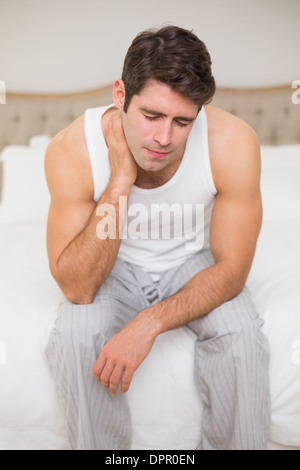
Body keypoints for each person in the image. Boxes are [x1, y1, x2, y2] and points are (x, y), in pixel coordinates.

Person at [45, 25, 271, 450]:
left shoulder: (234, 143)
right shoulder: (72, 148)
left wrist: (147, 324)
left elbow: (233, 269)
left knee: (240, 330)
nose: (164, 139)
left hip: (192, 260)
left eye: (182, 121)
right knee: (76, 332)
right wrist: (120, 181)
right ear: (120, 95)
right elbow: (77, 286)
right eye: (151, 116)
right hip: (114, 269)